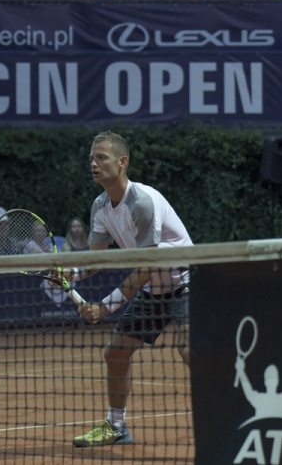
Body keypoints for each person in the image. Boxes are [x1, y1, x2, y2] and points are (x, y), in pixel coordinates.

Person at [69, 131, 194, 447]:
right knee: (117, 352)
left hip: (188, 284)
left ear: (122, 162)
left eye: (102, 158)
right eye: (91, 159)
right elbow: (96, 260)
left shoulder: (142, 202)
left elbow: (145, 267)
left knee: (190, 351)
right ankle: (116, 426)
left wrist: (105, 306)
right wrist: (68, 272)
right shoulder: (100, 206)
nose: (94, 164)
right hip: (154, 291)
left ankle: (232, 413)